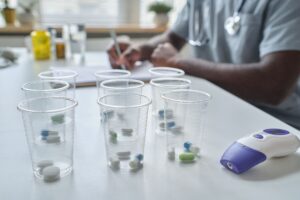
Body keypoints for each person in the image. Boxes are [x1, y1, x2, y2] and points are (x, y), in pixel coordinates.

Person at [107, 0, 300, 129]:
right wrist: (141, 49)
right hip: (216, 111)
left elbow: (274, 86)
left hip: (275, 124)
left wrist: (179, 63)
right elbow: (172, 38)